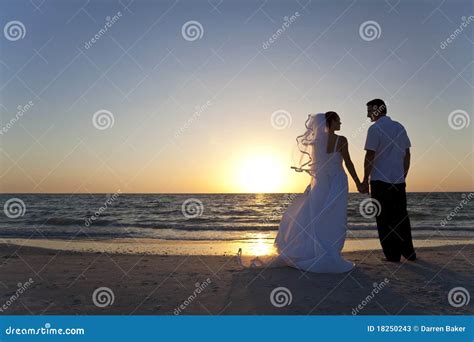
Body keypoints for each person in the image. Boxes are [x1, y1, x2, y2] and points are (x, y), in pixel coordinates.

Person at [360, 99, 416, 262]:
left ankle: (392, 255)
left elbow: (370, 155)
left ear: (377, 110)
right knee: (401, 217)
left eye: (370, 110)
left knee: (383, 218)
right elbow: (407, 154)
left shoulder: (374, 129)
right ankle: (409, 252)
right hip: (398, 180)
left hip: (380, 181)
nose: (368, 114)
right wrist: (404, 174)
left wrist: (365, 180)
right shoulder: (399, 127)